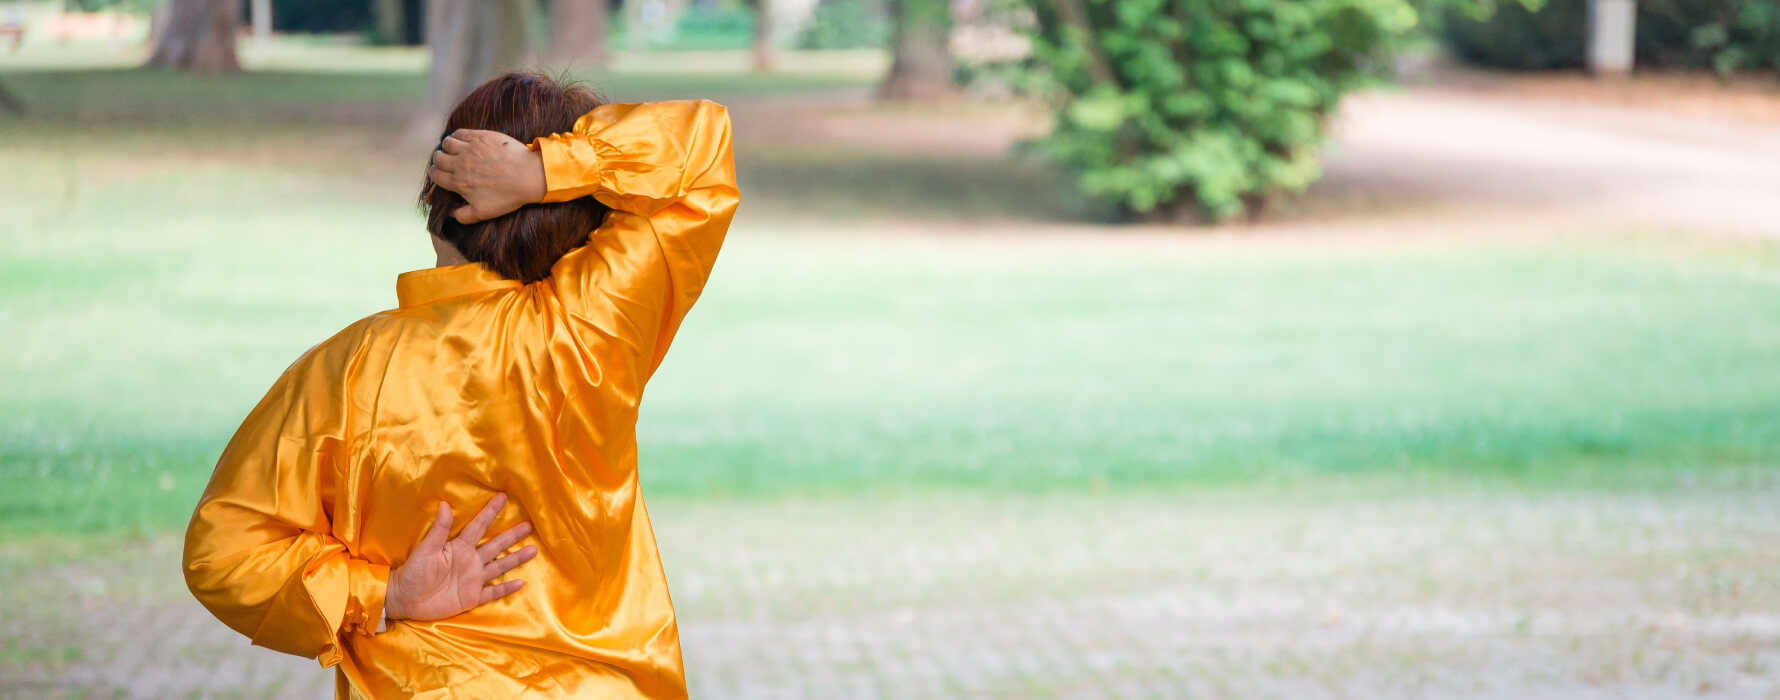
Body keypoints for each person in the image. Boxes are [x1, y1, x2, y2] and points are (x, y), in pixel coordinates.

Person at [181, 72, 739, 699]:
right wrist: (547, 171)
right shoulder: (592, 328)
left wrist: (383, 594)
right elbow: (701, 150)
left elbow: (223, 552)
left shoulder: (346, 370)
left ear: (437, 198)